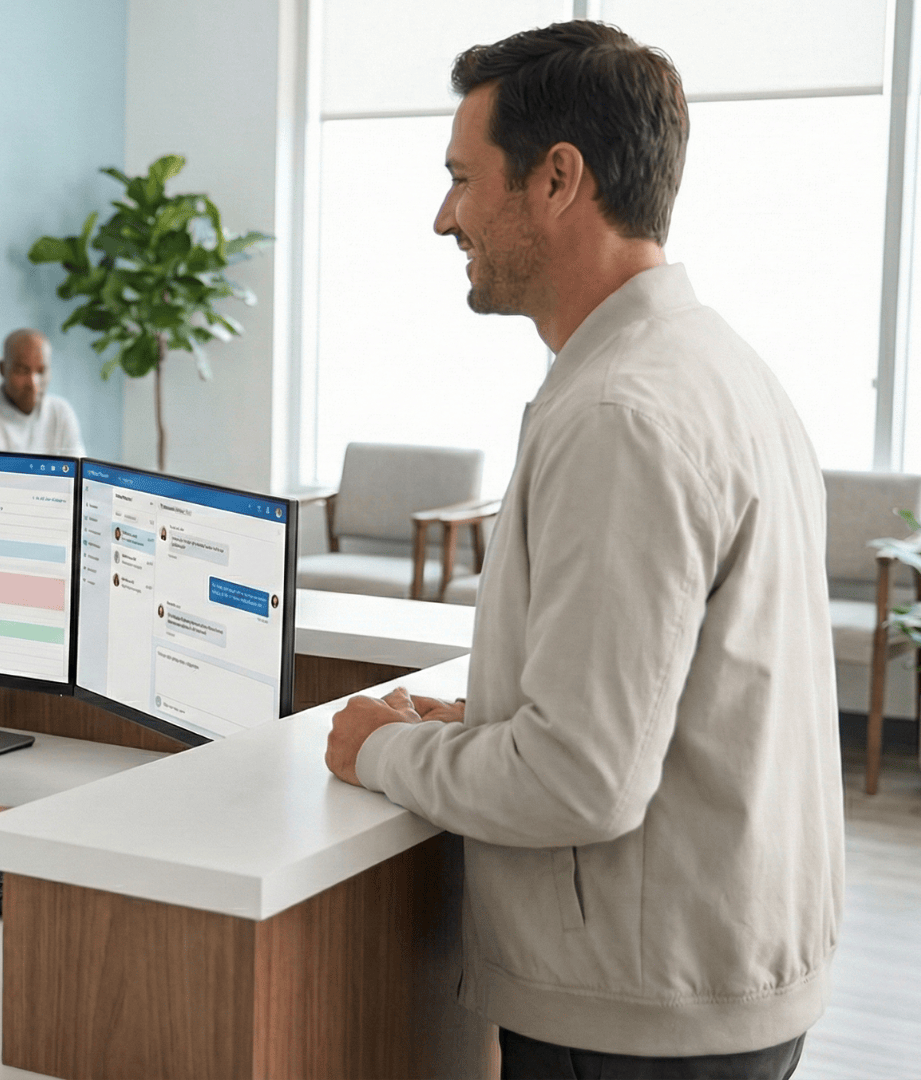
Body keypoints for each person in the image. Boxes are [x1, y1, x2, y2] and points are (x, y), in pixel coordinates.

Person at [322, 23, 839, 1080]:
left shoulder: (621, 412)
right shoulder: (716, 367)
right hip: (714, 972)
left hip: (634, 1010)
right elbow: (672, 690)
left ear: (558, 179)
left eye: (463, 179)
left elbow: (580, 785)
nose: (444, 217)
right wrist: (493, 719)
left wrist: (375, 747)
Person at [0, 329, 85, 456]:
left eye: (41, 371)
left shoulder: (60, 413)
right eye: (22, 371)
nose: (33, 383)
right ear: (2, 369)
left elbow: (78, 477)